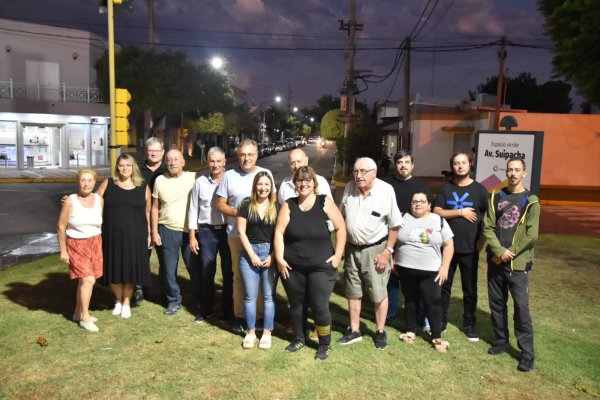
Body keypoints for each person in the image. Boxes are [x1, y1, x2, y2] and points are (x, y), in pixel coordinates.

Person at [274, 166, 346, 360]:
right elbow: (279, 232)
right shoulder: (288, 205)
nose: (303, 184)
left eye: (307, 180)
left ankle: (324, 343)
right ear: (295, 184)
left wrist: (338, 254)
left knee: (319, 305)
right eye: (299, 181)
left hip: (321, 267)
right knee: (296, 304)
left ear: (314, 183)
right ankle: (299, 338)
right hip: (293, 266)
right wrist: (280, 259)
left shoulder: (324, 202)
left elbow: (340, 227)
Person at [338, 157, 402, 350]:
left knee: (378, 292)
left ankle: (380, 331)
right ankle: (355, 330)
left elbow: (395, 224)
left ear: (374, 173)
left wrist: (387, 251)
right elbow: (341, 216)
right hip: (351, 249)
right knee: (353, 291)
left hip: (376, 250)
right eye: (356, 171)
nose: (358, 175)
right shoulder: (349, 188)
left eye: (363, 171)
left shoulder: (385, 191)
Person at [483, 158, 540, 372]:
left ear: (524, 173)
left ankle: (526, 354)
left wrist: (509, 253)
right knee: (497, 304)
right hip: (496, 261)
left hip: (517, 264)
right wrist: (498, 251)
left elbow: (531, 235)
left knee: (521, 309)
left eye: (517, 170)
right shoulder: (497, 196)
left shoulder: (530, 200)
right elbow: (488, 227)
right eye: (510, 170)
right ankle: (500, 342)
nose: (513, 173)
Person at [216, 139, 274, 332]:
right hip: (236, 235)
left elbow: (273, 204)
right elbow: (221, 204)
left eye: (250, 154)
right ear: (238, 156)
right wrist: (241, 213)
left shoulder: (265, 175)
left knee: (260, 279)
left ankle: (258, 317)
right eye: (242, 154)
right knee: (239, 277)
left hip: (262, 239)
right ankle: (240, 316)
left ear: (256, 155)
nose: (246, 158)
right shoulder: (229, 176)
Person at [433, 151, 489, 341]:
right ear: (452, 166)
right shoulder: (446, 188)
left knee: (469, 289)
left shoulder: (480, 190)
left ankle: (469, 323)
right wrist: (460, 212)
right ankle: (440, 320)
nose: (460, 166)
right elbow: (437, 211)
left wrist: (481, 243)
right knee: (443, 286)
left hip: (470, 249)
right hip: (447, 247)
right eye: (456, 163)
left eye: (463, 163)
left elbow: (488, 220)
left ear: (470, 165)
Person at [278, 148, 333, 337]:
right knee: (296, 294)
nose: (296, 166)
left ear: (306, 160)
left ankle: (318, 327)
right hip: (294, 244)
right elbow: (283, 214)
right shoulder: (285, 184)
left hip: (317, 246)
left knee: (318, 295)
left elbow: (329, 215)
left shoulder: (322, 183)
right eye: (292, 163)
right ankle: (298, 326)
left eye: (299, 161)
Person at [395, 191, 454, 352]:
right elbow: (392, 238)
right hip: (405, 269)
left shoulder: (438, 221)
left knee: (433, 303)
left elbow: (449, 245)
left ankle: (436, 336)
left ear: (429, 205)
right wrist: (393, 260)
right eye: (414, 201)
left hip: (431, 271)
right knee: (410, 301)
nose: (418, 204)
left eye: (422, 201)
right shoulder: (402, 218)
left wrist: (445, 267)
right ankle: (410, 331)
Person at [97, 154, 151, 320]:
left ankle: (126, 302)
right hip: (111, 234)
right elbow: (94, 202)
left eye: (128, 165)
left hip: (136, 235)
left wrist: (149, 232)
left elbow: (147, 211)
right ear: (117, 167)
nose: (124, 168)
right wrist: (71, 200)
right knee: (113, 268)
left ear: (133, 167)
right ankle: (118, 300)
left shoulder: (142, 186)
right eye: (121, 165)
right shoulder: (108, 184)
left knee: (131, 270)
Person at [386, 150, 432, 323]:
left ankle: (419, 313)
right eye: (399, 162)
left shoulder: (422, 186)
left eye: (406, 162)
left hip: (415, 237)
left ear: (412, 165)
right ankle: (390, 311)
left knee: (415, 277)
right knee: (391, 276)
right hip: (391, 236)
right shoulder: (387, 185)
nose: (403, 165)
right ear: (395, 165)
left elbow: (428, 212)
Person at [188, 147, 233, 323]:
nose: (215, 165)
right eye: (211, 161)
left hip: (227, 231)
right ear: (208, 162)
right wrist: (192, 235)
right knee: (207, 272)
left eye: (218, 161)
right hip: (206, 232)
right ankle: (206, 310)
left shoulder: (230, 180)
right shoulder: (200, 182)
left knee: (228, 273)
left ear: (224, 163)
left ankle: (227, 311)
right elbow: (193, 209)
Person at [57, 169, 103, 332]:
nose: (86, 184)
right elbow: (61, 226)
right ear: (78, 182)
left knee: (85, 280)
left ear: (94, 182)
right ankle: (85, 317)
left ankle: (77, 312)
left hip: (95, 242)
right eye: (83, 180)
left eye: (90, 180)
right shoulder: (70, 201)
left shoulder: (98, 199)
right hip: (77, 244)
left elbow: (99, 222)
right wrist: (63, 250)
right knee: (88, 280)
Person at [237, 172, 280, 349]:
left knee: (269, 296)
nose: (263, 188)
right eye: (260, 184)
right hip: (249, 254)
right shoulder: (246, 205)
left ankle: (267, 333)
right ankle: (251, 332)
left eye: (267, 185)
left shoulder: (277, 207)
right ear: (255, 186)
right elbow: (241, 232)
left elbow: (280, 235)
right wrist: (252, 255)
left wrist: (272, 256)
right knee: (250, 296)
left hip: (270, 253)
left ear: (271, 187)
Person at [151, 149, 196, 316]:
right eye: (169, 159)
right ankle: (173, 301)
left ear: (183, 162)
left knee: (194, 267)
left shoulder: (193, 178)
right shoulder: (160, 180)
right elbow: (155, 208)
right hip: (167, 229)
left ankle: (199, 299)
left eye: (176, 159)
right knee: (169, 269)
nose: (173, 162)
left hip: (189, 232)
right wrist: (155, 231)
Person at [134, 137, 167, 306]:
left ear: (162, 152)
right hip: (142, 219)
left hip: (165, 220)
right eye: (150, 150)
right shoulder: (137, 170)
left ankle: (165, 290)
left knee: (165, 259)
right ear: (146, 152)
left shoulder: (169, 168)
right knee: (142, 257)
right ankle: (140, 288)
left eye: (157, 150)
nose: (153, 153)